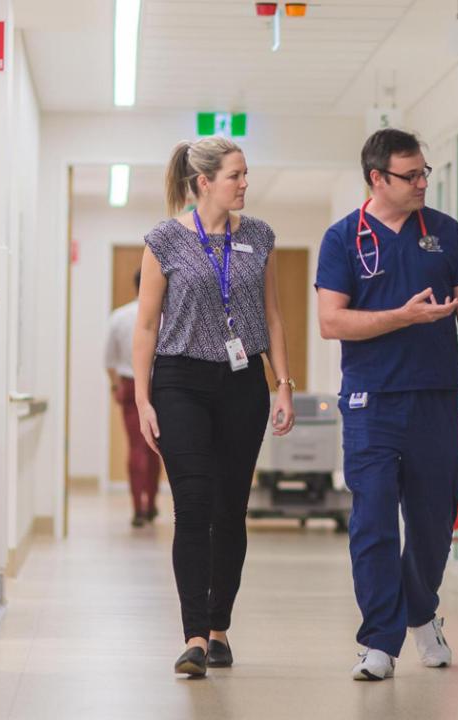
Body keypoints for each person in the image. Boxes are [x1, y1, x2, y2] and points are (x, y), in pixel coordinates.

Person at [315, 128, 458, 681]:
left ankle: (421, 611)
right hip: (371, 402)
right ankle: (378, 641)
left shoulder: (443, 233)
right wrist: (402, 316)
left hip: (437, 398)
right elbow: (331, 321)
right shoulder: (343, 238)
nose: (421, 182)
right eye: (409, 175)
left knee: (434, 517)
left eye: (424, 173)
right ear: (377, 178)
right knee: (373, 518)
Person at [131, 136, 296, 678]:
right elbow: (146, 325)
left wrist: (284, 384)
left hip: (243, 379)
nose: (245, 183)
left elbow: (272, 315)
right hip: (180, 381)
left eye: (246, 173)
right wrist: (142, 398)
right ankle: (194, 636)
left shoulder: (260, 237)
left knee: (230, 509)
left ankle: (220, 626)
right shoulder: (164, 240)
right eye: (236, 175)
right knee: (193, 506)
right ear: (205, 182)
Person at [105, 270, 161, 527]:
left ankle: (137, 507)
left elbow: (109, 360)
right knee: (156, 449)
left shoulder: (119, 316)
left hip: (129, 385)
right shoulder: (165, 316)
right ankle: (151, 504)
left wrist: (117, 386)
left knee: (136, 447)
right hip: (160, 386)